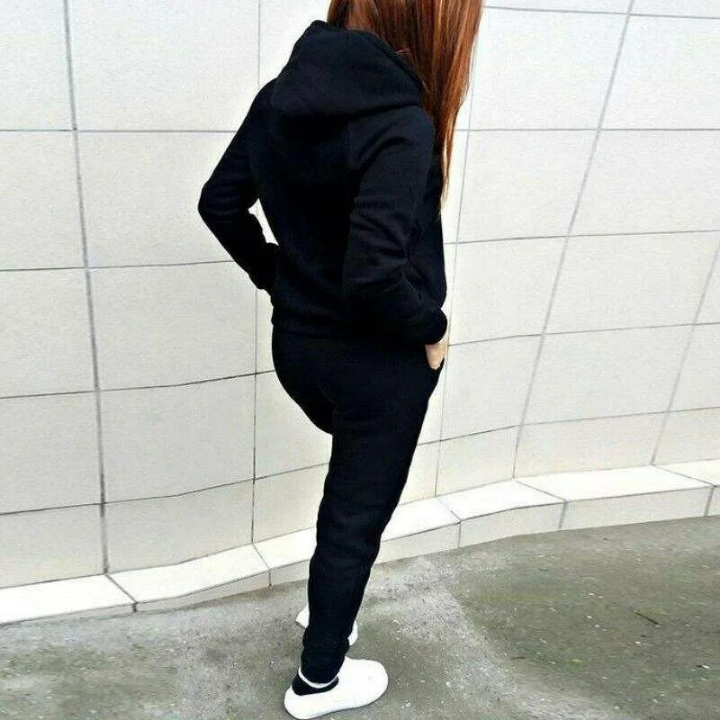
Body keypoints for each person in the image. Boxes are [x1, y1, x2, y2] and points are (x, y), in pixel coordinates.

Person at [197, 1, 484, 716]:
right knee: (354, 519)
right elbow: (374, 276)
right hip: (378, 363)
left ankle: (330, 608)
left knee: (346, 508)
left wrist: (277, 276)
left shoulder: (279, 97)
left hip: (299, 350)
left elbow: (219, 204)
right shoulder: (403, 122)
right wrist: (433, 327)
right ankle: (318, 680)